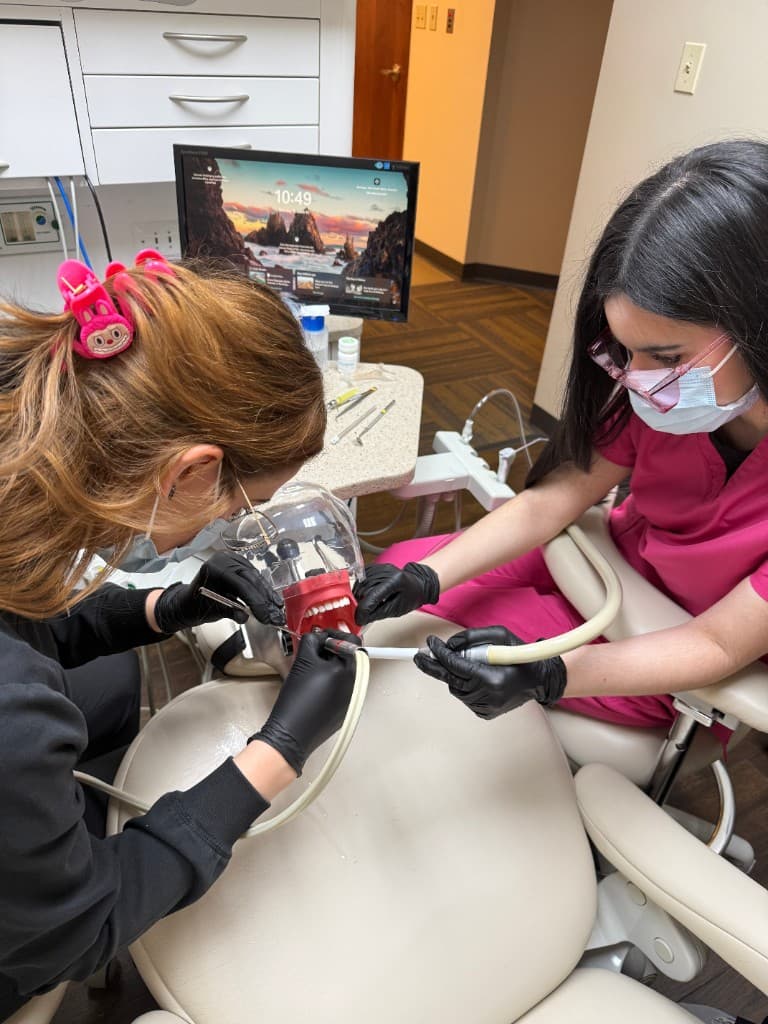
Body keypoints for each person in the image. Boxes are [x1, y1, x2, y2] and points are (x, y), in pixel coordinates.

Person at [0, 251, 359, 1020]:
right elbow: (80, 931)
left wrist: (164, 607)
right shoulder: (14, 720)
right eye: (234, 509)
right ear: (191, 471)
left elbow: (17, 617)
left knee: (108, 683)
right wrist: (281, 749)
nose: (223, 526)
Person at [354, 138, 768, 726]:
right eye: (625, 351)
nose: (638, 379)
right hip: (605, 562)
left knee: (426, 664)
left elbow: (717, 646)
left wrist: (547, 674)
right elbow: (557, 498)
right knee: (397, 576)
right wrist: (425, 577)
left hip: (667, 650)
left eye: (664, 354)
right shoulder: (671, 397)